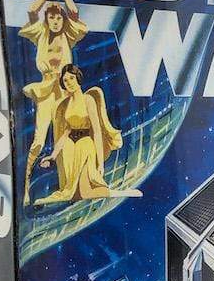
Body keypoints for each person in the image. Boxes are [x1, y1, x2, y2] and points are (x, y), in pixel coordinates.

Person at [19, 0, 89, 204]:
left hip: (65, 91)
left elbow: (74, 13)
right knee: (39, 141)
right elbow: (32, 12)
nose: (56, 21)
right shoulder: (41, 33)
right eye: (52, 17)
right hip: (47, 92)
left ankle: (68, 187)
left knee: (63, 140)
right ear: (47, 19)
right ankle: (26, 188)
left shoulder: (68, 34)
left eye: (59, 17)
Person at [35, 65, 142, 205]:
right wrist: (53, 156)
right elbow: (66, 133)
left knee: (86, 191)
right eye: (65, 80)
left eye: (71, 78)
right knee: (72, 193)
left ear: (77, 78)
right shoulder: (66, 104)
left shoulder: (88, 99)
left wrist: (100, 163)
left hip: (85, 145)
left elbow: (97, 131)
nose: (69, 83)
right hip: (69, 149)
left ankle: (125, 193)